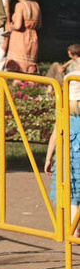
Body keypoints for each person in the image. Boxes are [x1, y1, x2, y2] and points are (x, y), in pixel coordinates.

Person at [45, 44, 80, 236]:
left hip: (69, 159)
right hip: (72, 157)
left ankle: (74, 231)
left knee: (73, 195)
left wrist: (49, 157)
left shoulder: (65, 111)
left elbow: (55, 133)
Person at [4, 0, 41, 75]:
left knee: (18, 69)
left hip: (20, 38)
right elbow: (39, 24)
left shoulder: (20, 5)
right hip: (33, 37)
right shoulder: (36, 5)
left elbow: (18, 25)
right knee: (29, 68)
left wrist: (10, 26)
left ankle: (18, 87)